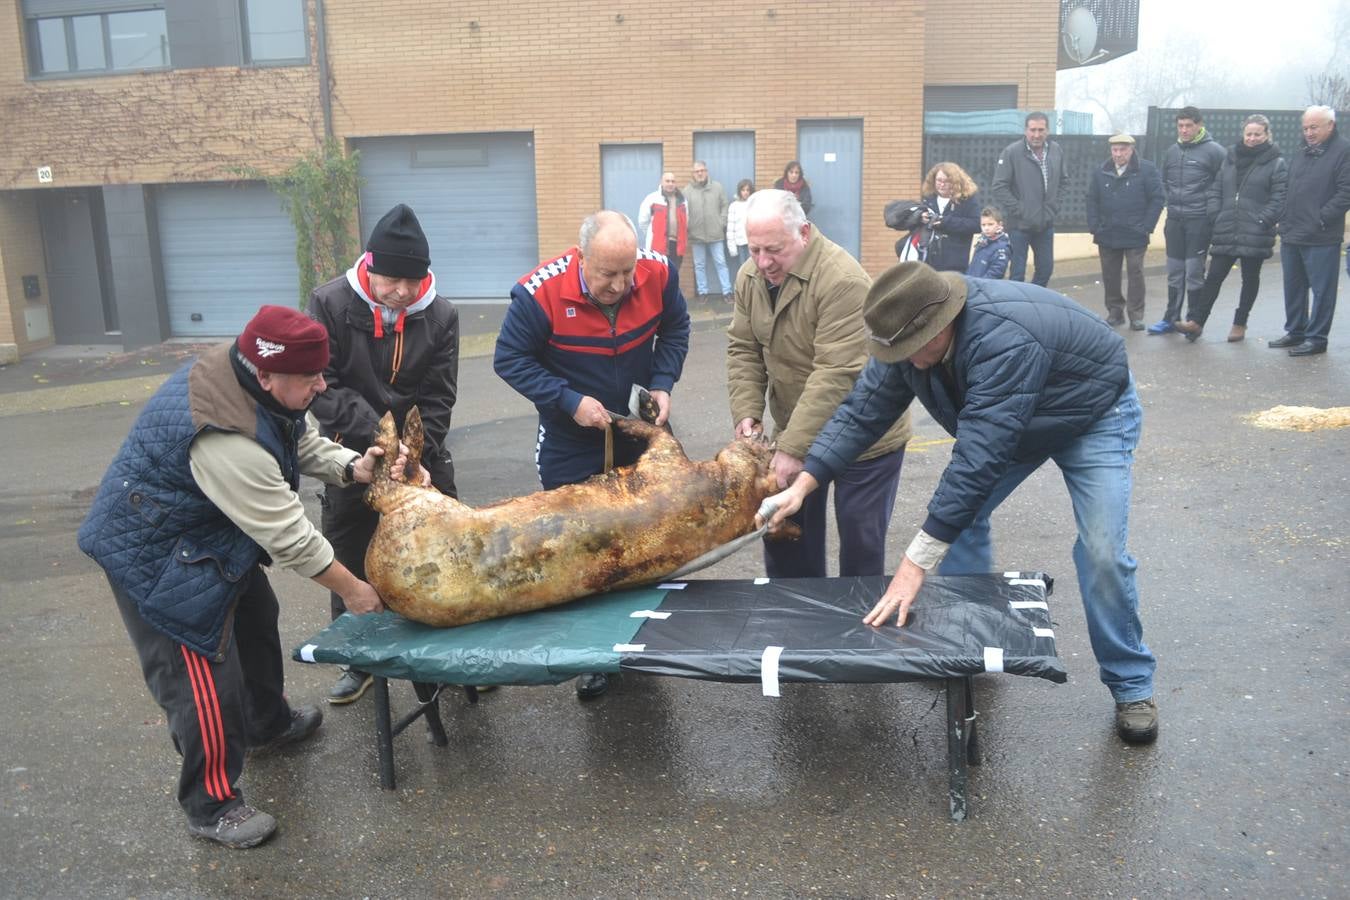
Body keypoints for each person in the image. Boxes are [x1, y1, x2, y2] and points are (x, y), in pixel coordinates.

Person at [759, 261, 1159, 745]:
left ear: (941, 325)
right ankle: (972, 649)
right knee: (962, 522)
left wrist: (914, 564)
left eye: (909, 349)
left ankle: (1131, 684)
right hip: (1017, 414)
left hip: (1093, 411)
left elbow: (979, 458)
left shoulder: (1003, 341)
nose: (901, 359)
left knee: (1101, 551)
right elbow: (861, 413)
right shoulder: (903, 336)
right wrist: (805, 483)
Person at [77, 305, 419, 848]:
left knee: (259, 619)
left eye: (321, 372)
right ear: (266, 374)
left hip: (210, 535)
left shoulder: (257, 378)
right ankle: (211, 804)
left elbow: (297, 439)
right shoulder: (226, 437)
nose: (322, 384)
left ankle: (266, 724)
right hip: (158, 554)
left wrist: (353, 466)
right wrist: (355, 590)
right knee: (203, 682)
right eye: (311, 378)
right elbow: (291, 538)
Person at [495, 210, 690, 698]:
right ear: (581, 258)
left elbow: (677, 328)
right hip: (572, 437)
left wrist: (663, 383)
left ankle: (647, 642)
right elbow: (509, 359)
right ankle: (595, 659)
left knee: (652, 537)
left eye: (627, 273)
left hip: (641, 427)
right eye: (607, 274)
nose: (620, 285)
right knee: (585, 551)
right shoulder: (538, 294)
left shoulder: (657, 272)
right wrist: (567, 401)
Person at [309, 203, 460, 704]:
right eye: (390, 278)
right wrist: (375, 437)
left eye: (410, 281)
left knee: (443, 551)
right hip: (352, 453)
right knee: (348, 555)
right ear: (370, 266)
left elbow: (439, 395)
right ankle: (360, 659)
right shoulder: (329, 302)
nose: (400, 291)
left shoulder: (441, 316)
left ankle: (444, 655)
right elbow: (322, 385)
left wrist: (417, 452)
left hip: (417, 456)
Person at [727, 189, 910, 578]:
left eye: (773, 249)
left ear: (804, 233)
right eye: (754, 249)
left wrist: (793, 448)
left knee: (861, 543)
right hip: (798, 423)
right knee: (784, 533)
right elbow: (743, 347)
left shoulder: (842, 281)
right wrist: (747, 414)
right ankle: (793, 625)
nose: (763, 262)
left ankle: (857, 630)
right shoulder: (750, 277)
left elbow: (836, 373)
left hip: (865, 437)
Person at [1174, 115, 1287, 343]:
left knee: (1250, 278)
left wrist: (1262, 220)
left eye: (1257, 134)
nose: (1252, 138)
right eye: (1249, 134)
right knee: (1214, 277)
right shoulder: (1230, 158)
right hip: (1227, 227)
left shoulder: (1276, 162)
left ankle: (1239, 323)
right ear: (1243, 134)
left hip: (1256, 230)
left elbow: (1280, 197)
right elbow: (1216, 188)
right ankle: (1196, 322)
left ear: (1267, 135)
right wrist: (1216, 214)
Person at [1268, 106, 1350, 357]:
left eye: (1314, 127)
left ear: (1330, 126)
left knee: (1322, 290)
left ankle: (1317, 338)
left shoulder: (1344, 152)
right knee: (1293, 287)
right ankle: (1296, 331)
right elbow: (1289, 188)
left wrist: (1320, 218)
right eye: (1305, 128)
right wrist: (1282, 216)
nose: (1309, 133)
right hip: (1293, 231)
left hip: (1321, 234)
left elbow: (1345, 193)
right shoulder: (1302, 152)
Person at [1149, 106, 1225, 334]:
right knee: (1174, 271)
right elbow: (1165, 181)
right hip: (1175, 219)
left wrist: (1212, 212)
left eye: (1189, 125)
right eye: (1180, 126)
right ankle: (1171, 319)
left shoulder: (1215, 151)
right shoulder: (1172, 151)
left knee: (1193, 272)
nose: (1184, 130)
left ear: (1199, 125)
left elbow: (1223, 185)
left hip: (1199, 221)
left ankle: (1193, 322)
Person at [1086, 133, 1165, 330]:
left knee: (1135, 273)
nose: (1118, 154)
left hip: (1135, 232)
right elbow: (1091, 199)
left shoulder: (1147, 169)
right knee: (1110, 274)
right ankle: (1115, 311)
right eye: (1115, 150)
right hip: (1107, 231)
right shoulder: (1100, 171)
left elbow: (1157, 198)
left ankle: (1136, 315)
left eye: (1123, 150)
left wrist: (1147, 226)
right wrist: (1095, 225)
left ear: (1131, 150)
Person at [990, 112, 1069, 286]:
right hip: (1020, 226)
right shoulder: (1011, 152)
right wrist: (1020, 210)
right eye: (1033, 130)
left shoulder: (1056, 150)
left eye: (1041, 130)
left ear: (1047, 130)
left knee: (1046, 270)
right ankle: (1017, 310)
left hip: (1045, 223)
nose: (1036, 135)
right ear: (1025, 130)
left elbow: (1063, 182)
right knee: (1017, 274)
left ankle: (1033, 303)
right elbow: (999, 186)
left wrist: (1054, 206)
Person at [918, 162, 982, 273]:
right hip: (929, 260)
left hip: (955, 261)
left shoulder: (967, 200)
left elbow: (976, 224)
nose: (942, 185)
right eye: (939, 180)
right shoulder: (928, 199)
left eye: (946, 181)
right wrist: (920, 218)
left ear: (955, 182)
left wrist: (945, 222)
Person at [685, 161, 731, 303]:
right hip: (696, 235)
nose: (700, 173)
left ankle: (727, 292)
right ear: (693, 173)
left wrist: (721, 222)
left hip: (715, 233)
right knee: (699, 265)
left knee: (721, 263)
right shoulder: (686, 191)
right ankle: (703, 292)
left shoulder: (717, 187)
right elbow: (683, 212)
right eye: (697, 171)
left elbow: (724, 205)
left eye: (702, 170)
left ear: (707, 171)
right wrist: (688, 227)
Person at [637, 172, 688, 271]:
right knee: (659, 273)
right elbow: (643, 221)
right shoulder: (652, 199)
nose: (670, 184)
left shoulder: (682, 200)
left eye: (673, 181)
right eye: (667, 181)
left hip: (676, 245)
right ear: (661, 182)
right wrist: (653, 233)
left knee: (674, 273)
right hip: (658, 245)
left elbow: (686, 220)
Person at [967, 207, 1011, 279]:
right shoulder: (981, 241)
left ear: (999, 225)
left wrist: (980, 284)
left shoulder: (1002, 246)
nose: (986, 228)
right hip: (974, 283)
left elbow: (997, 272)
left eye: (990, 224)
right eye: (983, 225)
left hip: (986, 287)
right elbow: (973, 266)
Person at [726, 178, 755, 270]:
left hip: (753, 242)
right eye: (743, 190)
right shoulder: (734, 206)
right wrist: (732, 247)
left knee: (754, 267)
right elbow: (730, 228)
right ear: (739, 191)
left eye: (747, 190)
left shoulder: (754, 204)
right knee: (743, 268)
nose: (745, 192)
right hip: (740, 243)